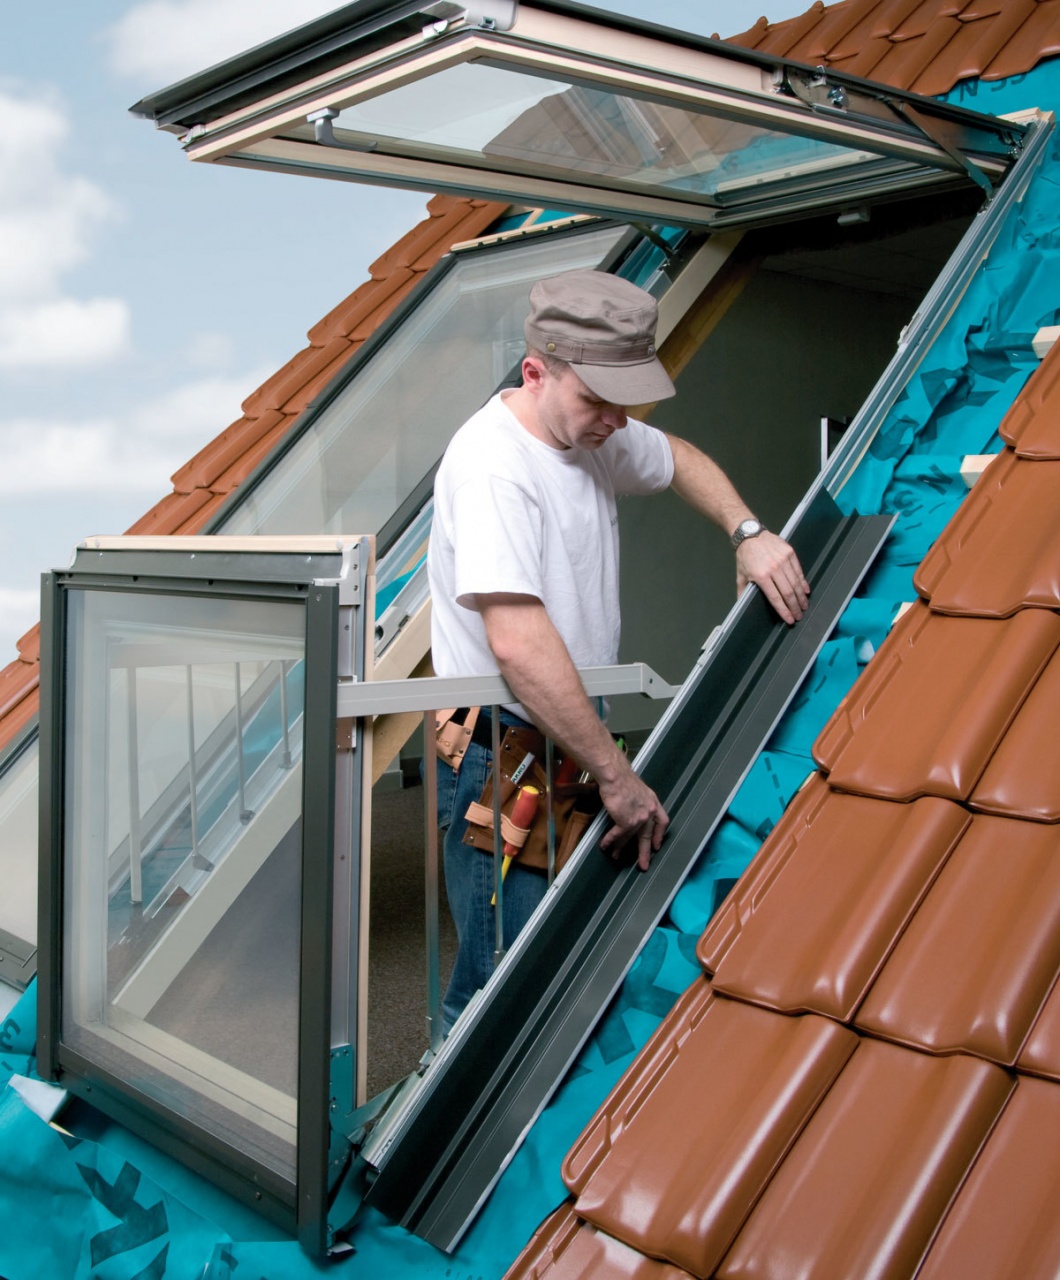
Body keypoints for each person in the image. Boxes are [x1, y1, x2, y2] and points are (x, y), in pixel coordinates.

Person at [427, 268, 809, 1029]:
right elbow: (519, 645)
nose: (615, 420)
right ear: (536, 373)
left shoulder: (592, 429)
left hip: (567, 724)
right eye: (597, 401)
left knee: (565, 945)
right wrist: (616, 775)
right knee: (500, 980)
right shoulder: (492, 469)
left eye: (625, 402)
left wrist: (749, 533)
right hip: (500, 749)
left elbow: (679, 460)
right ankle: (439, 1141)